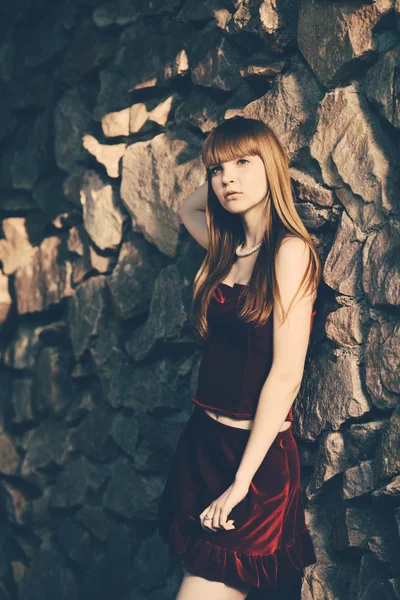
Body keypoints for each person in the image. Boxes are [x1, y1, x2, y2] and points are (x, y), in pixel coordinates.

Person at [157, 116, 321, 600]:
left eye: (244, 163)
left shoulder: (289, 253)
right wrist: (222, 154)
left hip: (254, 459)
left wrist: (241, 483)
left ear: (271, 166)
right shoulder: (228, 249)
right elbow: (186, 207)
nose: (228, 178)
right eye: (217, 169)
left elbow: (287, 375)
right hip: (202, 443)